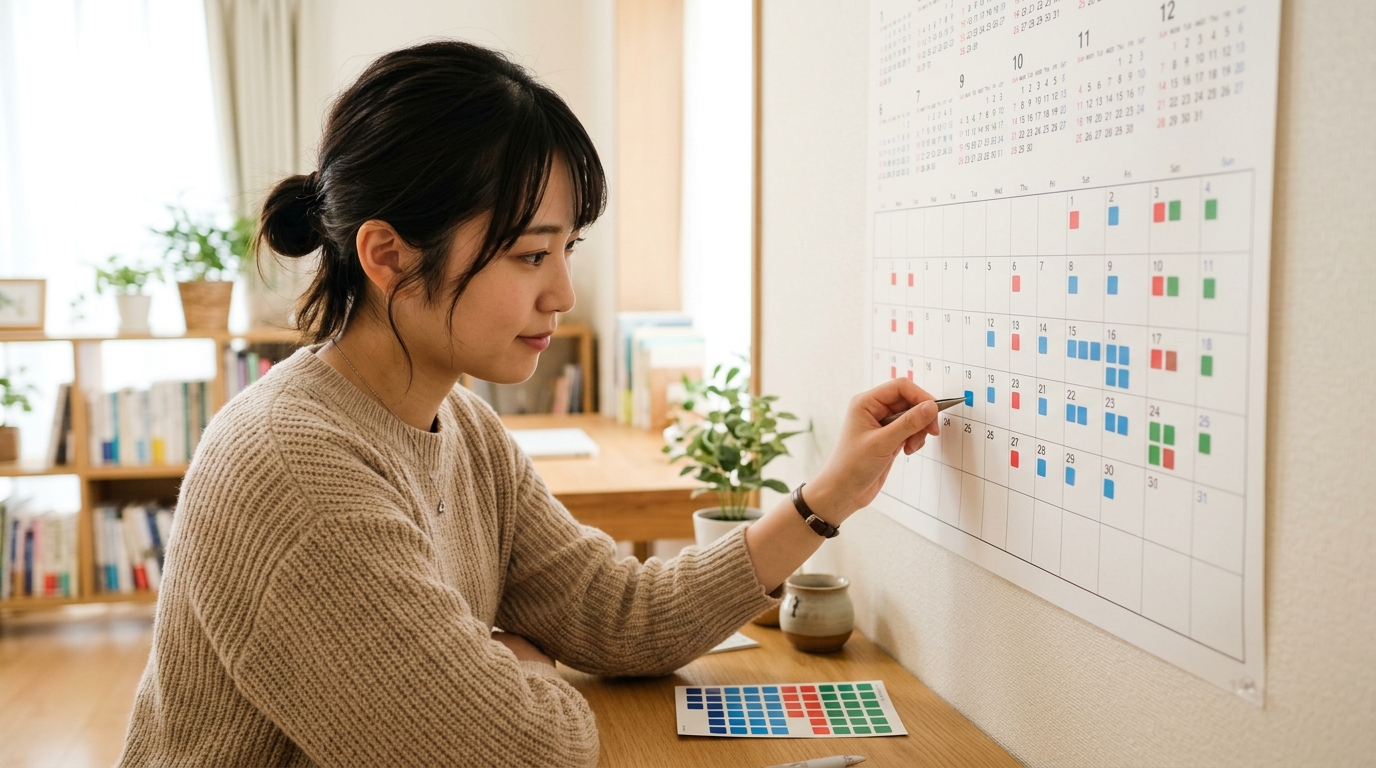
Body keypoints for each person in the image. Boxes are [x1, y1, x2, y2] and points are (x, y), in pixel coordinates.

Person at [116, 40, 940, 768]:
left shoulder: (462, 425)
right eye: (528, 254)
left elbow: (621, 616)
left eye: (567, 248)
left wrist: (829, 495)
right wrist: (521, 666)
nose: (563, 293)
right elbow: (519, 751)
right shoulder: (293, 471)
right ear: (388, 255)